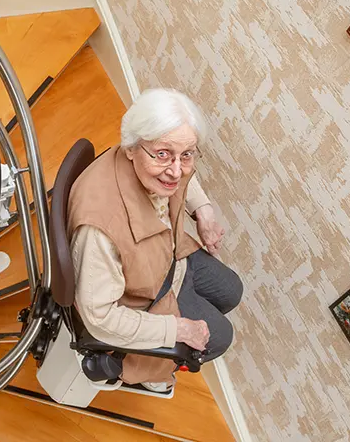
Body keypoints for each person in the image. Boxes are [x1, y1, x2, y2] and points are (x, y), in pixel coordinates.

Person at [67, 88, 244, 392]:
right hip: (140, 296)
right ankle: (148, 371)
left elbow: (183, 173)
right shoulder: (100, 230)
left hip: (166, 257)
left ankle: (184, 321)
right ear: (131, 147)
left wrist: (202, 211)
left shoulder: (150, 152)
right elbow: (100, 319)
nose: (176, 171)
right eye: (164, 155)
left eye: (186, 155)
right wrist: (177, 330)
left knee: (232, 290)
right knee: (220, 336)